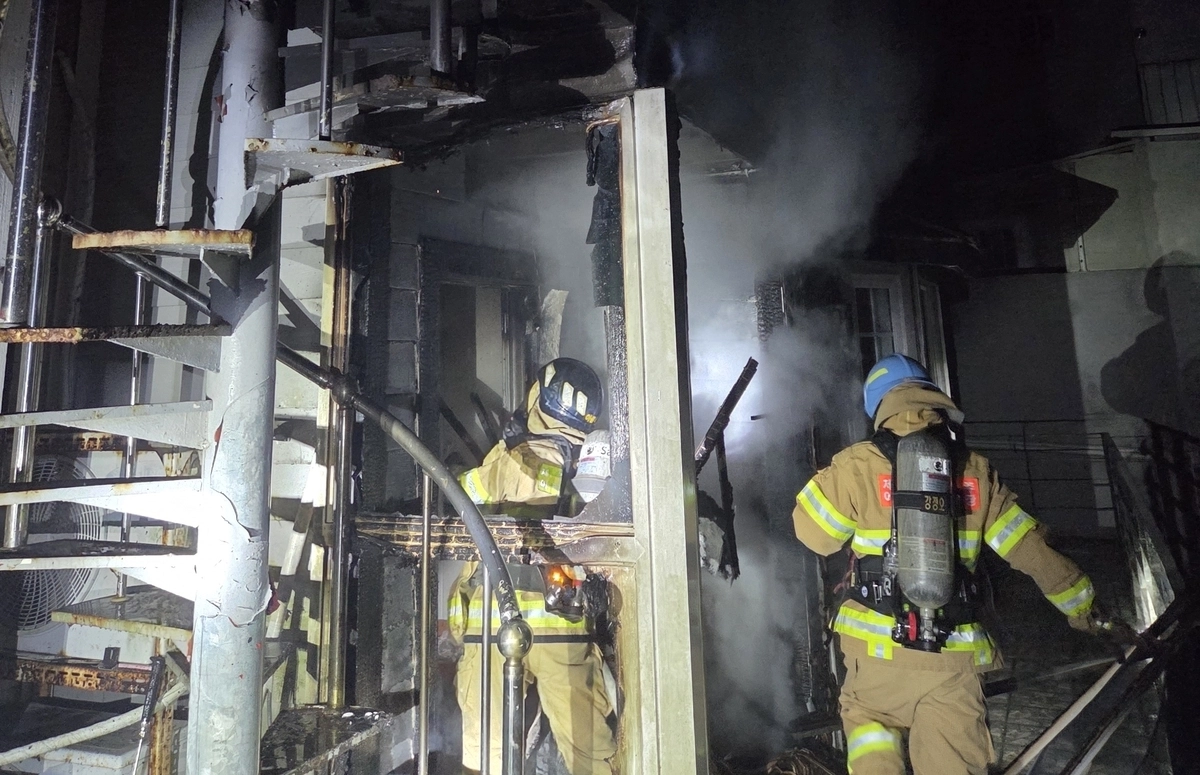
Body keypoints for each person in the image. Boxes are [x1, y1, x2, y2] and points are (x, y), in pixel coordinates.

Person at [792, 354, 1120, 775]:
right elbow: (1033, 553)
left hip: (875, 659)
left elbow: (814, 536)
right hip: (953, 661)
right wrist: (1086, 611)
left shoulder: (856, 466)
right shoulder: (976, 472)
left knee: (869, 730)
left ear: (878, 408)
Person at [448, 358, 617, 775]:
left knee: (485, 758)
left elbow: (464, 500)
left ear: (540, 397)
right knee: (593, 758)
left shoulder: (512, 459)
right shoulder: (589, 470)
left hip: (491, 627)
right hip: (562, 631)